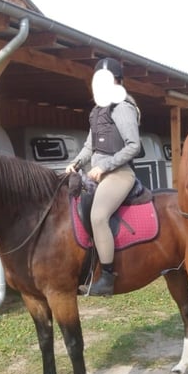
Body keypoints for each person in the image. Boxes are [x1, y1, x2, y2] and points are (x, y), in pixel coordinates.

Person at [65, 57, 142, 296]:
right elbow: (90, 147)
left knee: (98, 216)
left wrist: (105, 166)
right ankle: (87, 264)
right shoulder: (97, 111)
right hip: (98, 174)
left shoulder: (123, 109)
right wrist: (75, 163)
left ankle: (107, 277)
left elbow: (134, 146)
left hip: (119, 174)